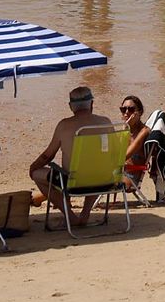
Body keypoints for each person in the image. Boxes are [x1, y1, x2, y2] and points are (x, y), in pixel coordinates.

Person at [29, 87, 114, 224]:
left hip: (73, 183)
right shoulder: (105, 122)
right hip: (104, 179)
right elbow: (112, 153)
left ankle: (71, 216)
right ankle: (85, 214)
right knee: (95, 166)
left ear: (70, 107)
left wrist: (33, 168)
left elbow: (48, 155)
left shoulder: (64, 125)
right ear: (92, 103)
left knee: (37, 174)